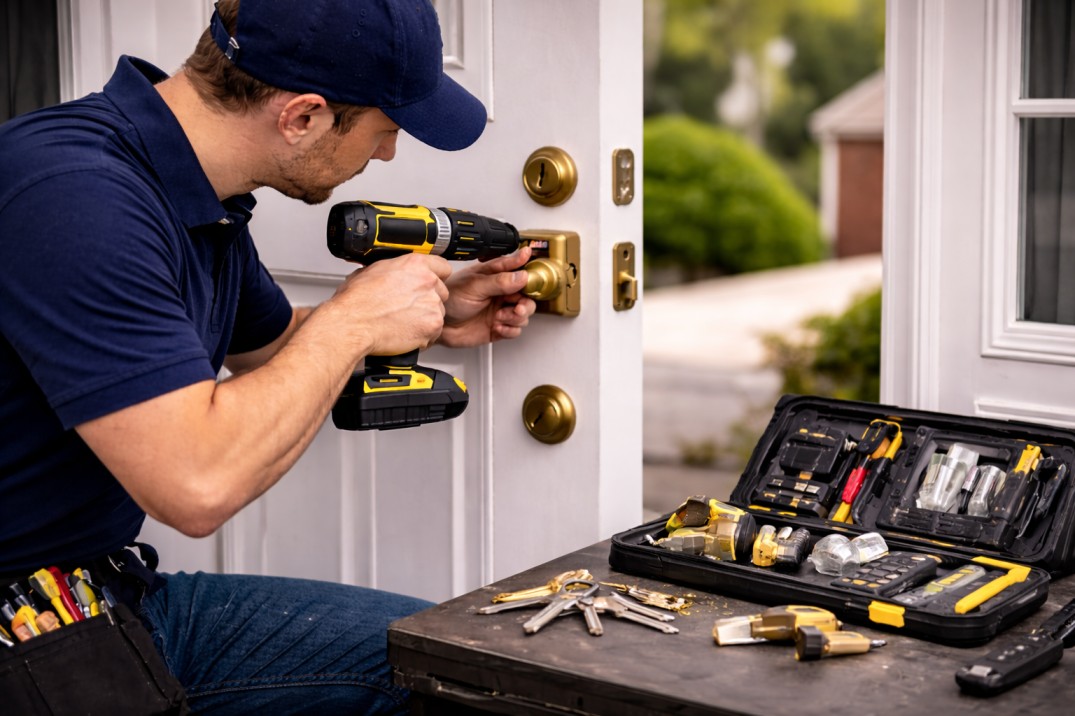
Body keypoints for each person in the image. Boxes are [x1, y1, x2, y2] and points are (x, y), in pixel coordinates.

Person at [0, 0, 535, 712]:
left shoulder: (190, 190)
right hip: (25, 628)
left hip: (100, 591)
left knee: (462, 666)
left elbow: (272, 351)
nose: (387, 154)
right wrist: (352, 319)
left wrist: (429, 318)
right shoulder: (75, 199)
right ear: (303, 116)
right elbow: (196, 483)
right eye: (385, 129)